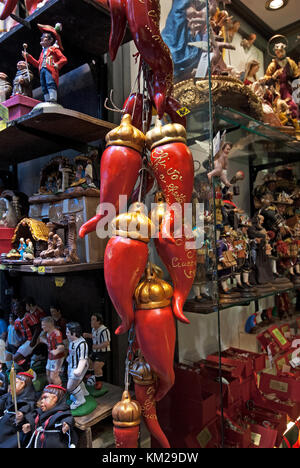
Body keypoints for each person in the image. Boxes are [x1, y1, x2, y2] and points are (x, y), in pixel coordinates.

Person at [22, 23, 67, 103]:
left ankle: (53, 99)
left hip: (50, 70)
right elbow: (37, 63)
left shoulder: (54, 49)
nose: (41, 38)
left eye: (44, 37)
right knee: (44, 85)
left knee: (50, 83)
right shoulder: (42, 52)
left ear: (50, 40)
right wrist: (28, 57)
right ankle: (47, 100)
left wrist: (57, 64)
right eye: (42, 37)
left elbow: (64, 59)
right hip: (42, 70)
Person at [22, 384, 77, 448]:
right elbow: (35, 422)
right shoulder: (39, 414)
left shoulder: (61, 414)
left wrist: (66, 424)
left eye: (45, 398)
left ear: (55, 398)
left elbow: (68, 419)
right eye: (42, 398)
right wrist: (31, 425)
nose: (42, 401)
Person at [265, 41, 300, 130]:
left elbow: (296, 76)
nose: (279, 54)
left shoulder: (290, 62)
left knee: (293, 105)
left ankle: (294, 125)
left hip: (288, 88)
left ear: (284, 51)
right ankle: (282, 124)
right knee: (278, 107)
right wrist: (274, 76)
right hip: (277, 89)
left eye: (281, 51)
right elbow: (267, 80)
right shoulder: (273, 64)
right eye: (277, 52)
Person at [0, 371, 36, 448]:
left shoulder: (28, 402)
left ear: (23, 384)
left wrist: (23, 416)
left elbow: (31, 416)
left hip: (13, 438)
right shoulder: (7, 397)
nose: (10, 386)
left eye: (14, 383)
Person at [83, 313, 111, 390]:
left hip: (103, 352)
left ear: (99, 321)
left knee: (97, 366)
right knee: (88, 362)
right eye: (91, 319)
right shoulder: (94, 329)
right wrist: (88, 335)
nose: (91, 321)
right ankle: (92, 376)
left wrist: (97, 346)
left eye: (93, 320)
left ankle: (99, 382)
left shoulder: (104, 330)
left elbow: (107, 342)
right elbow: (95, 335)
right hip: (95, 351)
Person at [66, 322, 89, 410]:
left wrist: (79, 370)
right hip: (72, 365)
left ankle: (80, 400)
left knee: (70, 387)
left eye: (68, 332)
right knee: (76, 382)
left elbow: (83, 359)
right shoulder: (72, 341)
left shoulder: (82, 344)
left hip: (78, 367)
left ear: (74, 332)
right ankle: (83, 392)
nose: (66, 334)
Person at [39, 317, 65, 386]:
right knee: (47, 373)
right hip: (50, 357)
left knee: (53, 376)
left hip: (57, 358)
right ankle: (51, 387)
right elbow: (41, 338)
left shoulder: (57, 333)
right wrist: (46, 342)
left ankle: (59, 391)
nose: (42, 327)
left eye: (43, 325)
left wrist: (56, 351)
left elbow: (61, 347)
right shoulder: (47, 333)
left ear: (49, 325)